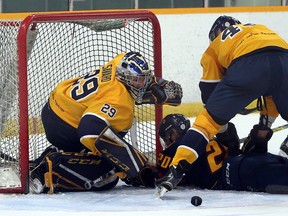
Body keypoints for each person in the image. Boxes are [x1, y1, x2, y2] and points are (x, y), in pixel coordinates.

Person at [155, 15, 288, 194]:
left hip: (247, 65)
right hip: (285, 58)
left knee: (206, 121)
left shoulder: (214, 46)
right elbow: (273, 85)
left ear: (216, 33)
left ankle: (177, 169)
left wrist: (225, 133)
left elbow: (211, 102)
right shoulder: (257, 28)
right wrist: (262, 132)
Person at [30, 51, 182, 193]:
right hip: (64, 127)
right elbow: (88, 130)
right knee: (107, 173)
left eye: (144, 79)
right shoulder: (119, 101)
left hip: (56, 105)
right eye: (137, 80)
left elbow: (133, 79)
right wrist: (135, 167)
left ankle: (54, 153)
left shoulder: (119, 62)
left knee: (103, 143)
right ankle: (46, 172)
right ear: (125, 78)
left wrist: (156, 85)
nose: (142, 83)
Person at [156, 114, 288, 194]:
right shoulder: (203, 137)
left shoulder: (177, 150)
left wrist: (142, 172)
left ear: (173, 134)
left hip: (239, 175)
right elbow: (234, 147)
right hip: (250, 159)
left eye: (167, 137)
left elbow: (160, 176)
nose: (167, 142)